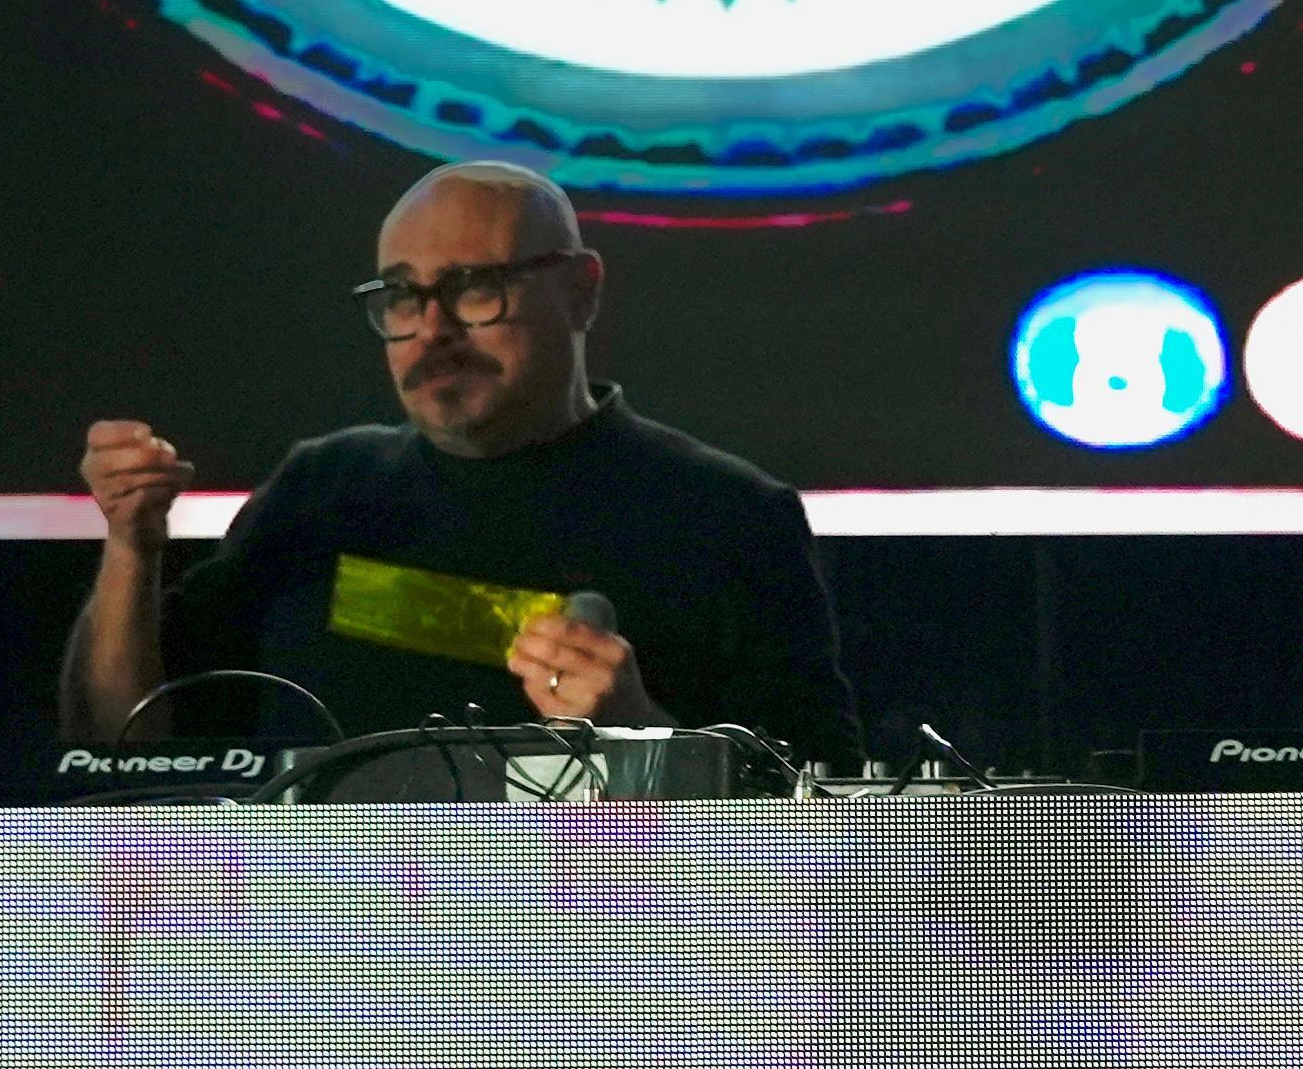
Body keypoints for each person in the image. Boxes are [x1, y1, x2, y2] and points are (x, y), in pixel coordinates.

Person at [63, 161, 860, 764]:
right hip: (313, 926)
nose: (432, 329)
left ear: (580, 291)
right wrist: (132, 549)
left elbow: (825, 818)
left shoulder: (726, 515)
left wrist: (642, 736)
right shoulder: (321, 490)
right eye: (403, 296)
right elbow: (118, 747)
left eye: (475, 287)